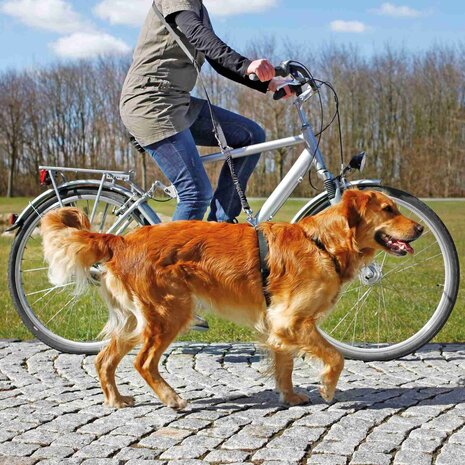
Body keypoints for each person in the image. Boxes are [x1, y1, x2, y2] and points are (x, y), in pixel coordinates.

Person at [120, 0, 293, 224]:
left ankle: (219, 227)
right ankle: (167, 259)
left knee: (251, 136)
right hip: (151, 103)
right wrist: (247, 64)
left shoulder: (198, 6)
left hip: (178, 102)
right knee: (195, 194)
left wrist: (268, 84)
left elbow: (216, 60)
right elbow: (197, 35)